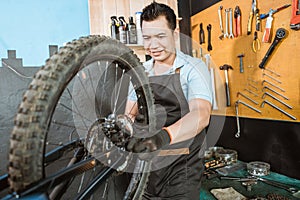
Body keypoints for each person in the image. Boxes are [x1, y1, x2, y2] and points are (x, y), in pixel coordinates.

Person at [125, 2, 213, 199]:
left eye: (160, 36)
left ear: (175, 34)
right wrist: (123, 128)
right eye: (147, 38)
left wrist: (162, 137)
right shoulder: (140, 73)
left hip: (182, 171)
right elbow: (129, 115)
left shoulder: (193, 68)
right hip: (146, 171)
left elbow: (201, 114)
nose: (153, 45)